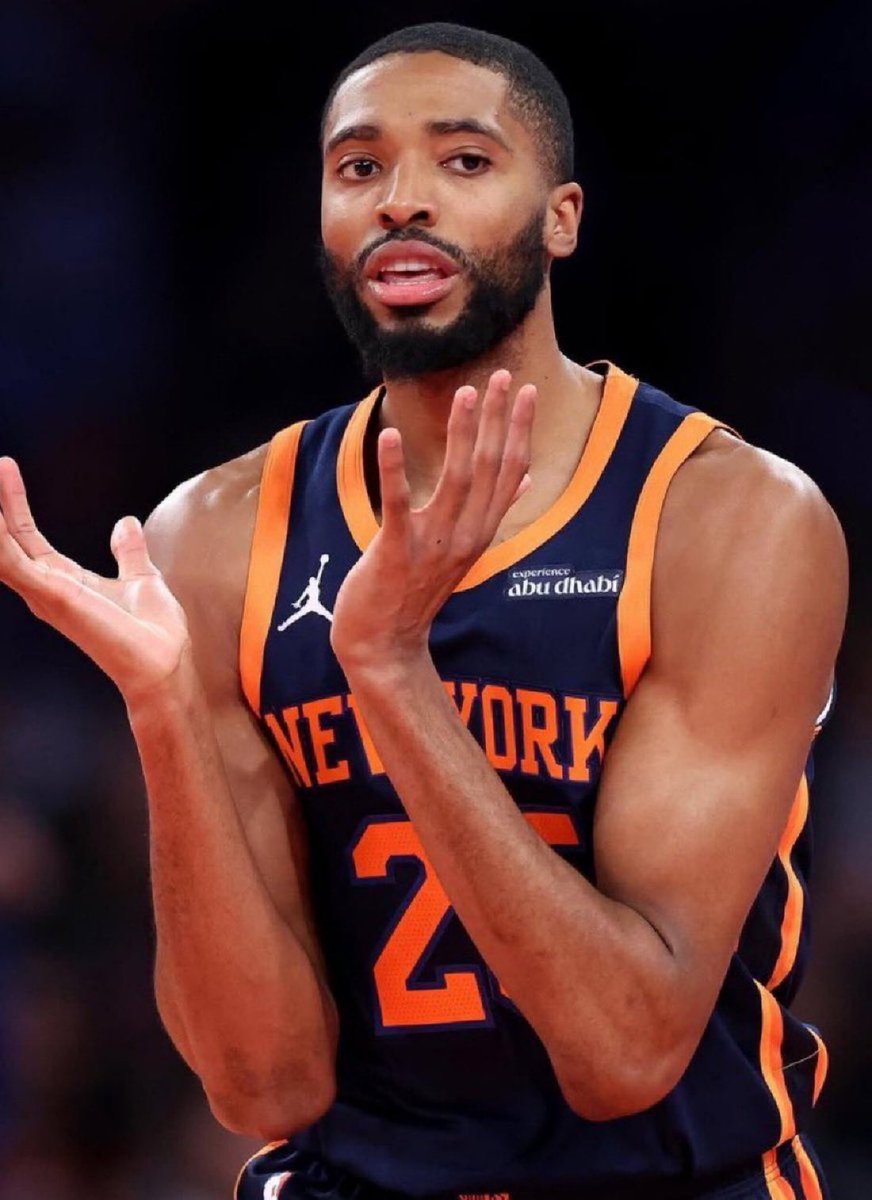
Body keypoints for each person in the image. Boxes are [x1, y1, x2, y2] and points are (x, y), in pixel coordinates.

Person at [0, 21, 848, 1200]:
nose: (400, 198)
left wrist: (392, 673)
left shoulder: (725, 518)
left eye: (463, 160)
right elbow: (262, 1089)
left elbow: (625, 1053)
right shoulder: (217, 536)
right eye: (359, 167)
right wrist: (162, 713)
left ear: (560, 217)